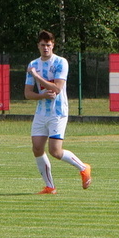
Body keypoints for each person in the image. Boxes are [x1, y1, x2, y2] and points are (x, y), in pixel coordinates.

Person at [25, 30, 91, 194]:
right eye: (42, 45)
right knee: (37, 148)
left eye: (48, 45)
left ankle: (83, 167)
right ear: (38, 46)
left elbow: (57, 88)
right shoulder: (33, 64)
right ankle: (50, 186)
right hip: (41, 113)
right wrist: (41, 95)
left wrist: (36, 76)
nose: (45, 48)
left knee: (55, 151)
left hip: (58, 112)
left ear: (53, 45)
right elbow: (27, 93)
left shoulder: (61, 62)